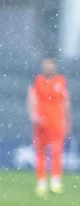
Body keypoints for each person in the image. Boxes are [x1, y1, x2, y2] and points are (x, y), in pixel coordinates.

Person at [28, 57, 70, 196]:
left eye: (50, 66)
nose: (48, 69)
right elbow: (32, 98)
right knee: (40, 152)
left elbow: (66, 102)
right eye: (46, 66)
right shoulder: (38, 81)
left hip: (57, 122)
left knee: (57, 152)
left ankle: (56, 182)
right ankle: (41, 183)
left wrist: (67, 120)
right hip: (41, 123)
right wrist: (33, 115)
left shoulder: (61, 81)